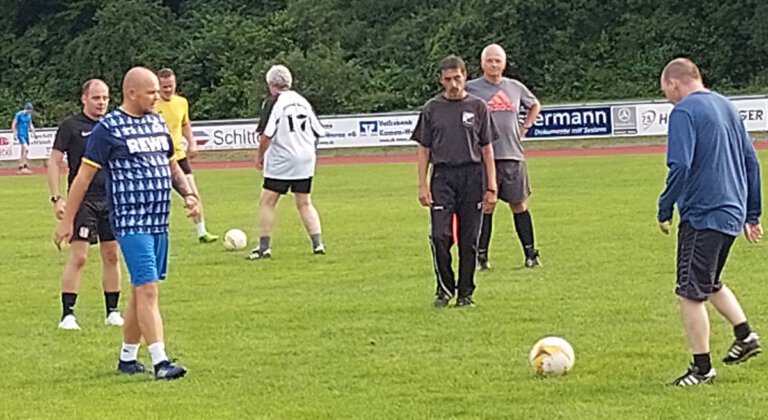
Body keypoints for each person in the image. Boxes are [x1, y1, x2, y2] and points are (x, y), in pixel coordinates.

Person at [54, 67, 200, 380]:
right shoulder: (108, 128)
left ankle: (127, 358)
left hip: (159, 220)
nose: (157, 97)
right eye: (151, 92)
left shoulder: (157, 121)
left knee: (141, 290)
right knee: (147, 288)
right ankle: (161, 361)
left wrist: (188, 194)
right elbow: (83, 177)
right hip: (131, 220)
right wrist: (67, 219)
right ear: (131, 93)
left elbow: (171, 163)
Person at [657, 58, 762, 386]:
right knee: (710, 281)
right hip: (731, 211)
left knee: (690, 292)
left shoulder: (685, 111)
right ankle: (744, 336)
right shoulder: (727, 106)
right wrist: (752, 213)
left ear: (675, 83)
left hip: (703, 213)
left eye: (666, 92)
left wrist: (665, 207)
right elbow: (751, 161)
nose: (668, 99)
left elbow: (681, 166)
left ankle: (702, 369)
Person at [412, 55, 497, 308]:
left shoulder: (478, 107)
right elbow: (424, 150)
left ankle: (466, 293)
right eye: (448, 79)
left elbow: (487, 149)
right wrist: (422, 185)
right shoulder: (431, 109)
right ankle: (444, 288)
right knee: (440, 235)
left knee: (470, 239)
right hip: (443, 177)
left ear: (465, 76)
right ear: (441, 80)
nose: (453, 84)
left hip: (472, 176)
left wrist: (492, 186)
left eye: (457, 78)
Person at [47, 79, 124, 330]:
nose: (101, 102)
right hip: (82, 201)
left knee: (112, 255)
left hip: (111, 198)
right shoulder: (71, 126)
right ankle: (67, 314)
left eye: (105, 98)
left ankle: (112, 311)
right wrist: (57, 198)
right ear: (84, 99)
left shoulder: (113, 125)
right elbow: (54, 162)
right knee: (79, 256)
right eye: (96, 98)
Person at [466, 44, 542, 270]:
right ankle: (481, 257)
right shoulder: (472, 89)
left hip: (512, 155)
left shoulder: (515, 87)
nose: (494, 64)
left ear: (504, 63)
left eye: (498, 60)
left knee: (519, 204)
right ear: (482, 63)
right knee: (486, 207)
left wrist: (525, 126)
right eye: (490, 60)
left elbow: (534, 104)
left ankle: (531, 254)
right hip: (483, 158)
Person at [247, 64, 327, 260]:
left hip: (283, 159)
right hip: (305, 158)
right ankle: (318, 244)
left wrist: (260, 157)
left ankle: (264, 247)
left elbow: (266, 135)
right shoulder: (302, 101)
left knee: (267, 201)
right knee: (304, 202)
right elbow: (319, 132)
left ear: (271, 84)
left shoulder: (274, 102)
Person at [155, 68, 218, 244]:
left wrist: (192, 142)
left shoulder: (182, 102)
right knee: (159, 198)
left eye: (171, 86)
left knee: (193, 194)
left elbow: (185, 124)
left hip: (179, 157)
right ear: (158, 86)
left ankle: (202, 232)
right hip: (158, 159)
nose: (168, 90)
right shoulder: (152, 105)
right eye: (164, 86)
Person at [12, 102, 36, 174]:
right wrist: (14, 133)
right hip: (20, 134)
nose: (30, 112)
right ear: (27, 109)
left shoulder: (29, 116)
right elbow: (14, 123)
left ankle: (21, 165)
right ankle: (23, 166)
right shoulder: (19, 114)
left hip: (26, 134)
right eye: (30, 110)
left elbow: (30, 124)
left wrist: (33, 131)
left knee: (23, 151)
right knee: (26, 149)